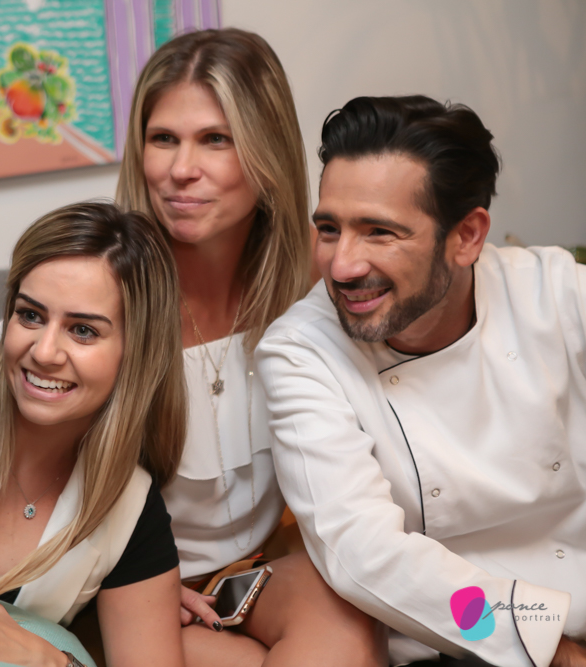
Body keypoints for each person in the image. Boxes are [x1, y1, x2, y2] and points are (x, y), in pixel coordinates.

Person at [255, 95, 586, 667]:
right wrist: (545, 644)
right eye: (329, 228)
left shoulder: (556, 293)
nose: (342, 265)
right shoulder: (302, 352)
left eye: (379, 232)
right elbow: (367, 554)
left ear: (467, 236)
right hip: (463, 639)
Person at [114, 28, 385, 665]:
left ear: (266, 150)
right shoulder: (103, 292)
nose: (181, 169)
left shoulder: (321, 281)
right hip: (132, 585)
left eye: (216, 139)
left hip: (258, 572)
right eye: (163, 139)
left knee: (348, 634)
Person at [0, 202, 187, 666]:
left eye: (83, 330)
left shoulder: (130, 515)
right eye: (30, 316)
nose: (44, 352)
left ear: (137, 352)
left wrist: (49, 659)